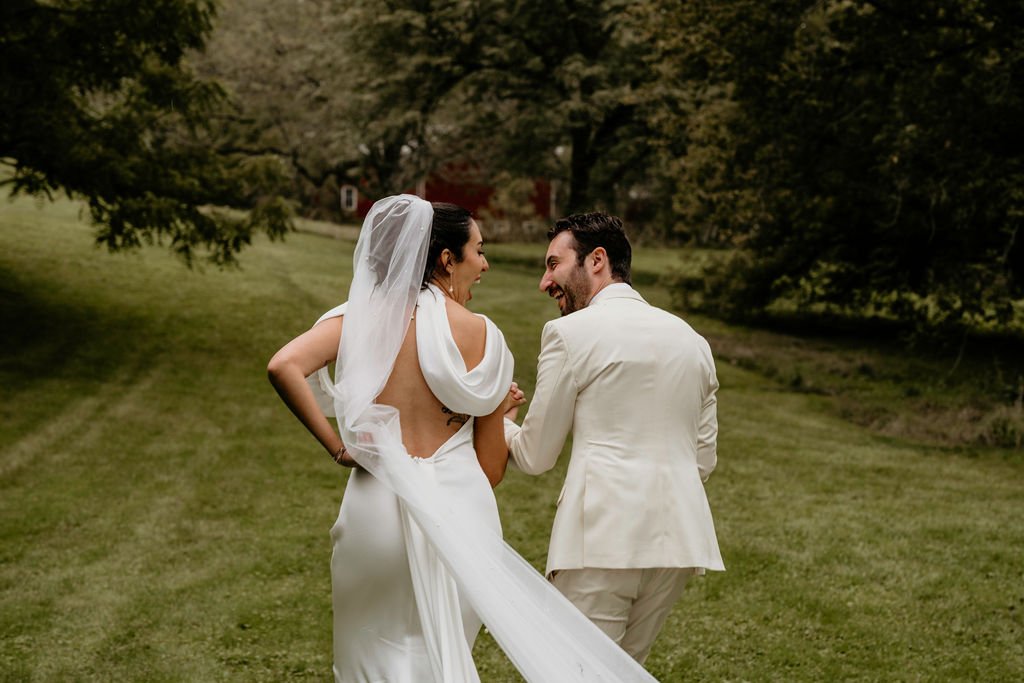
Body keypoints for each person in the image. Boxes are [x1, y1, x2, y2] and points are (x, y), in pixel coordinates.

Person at [267, 196, 657, 682]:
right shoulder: (486, 339)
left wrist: (338, 448)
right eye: (478, 250)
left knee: (370, 656)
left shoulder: (363, 319)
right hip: (463, 517)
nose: (486, 264)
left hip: (376, 511)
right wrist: (500, 410)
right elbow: (490, 469)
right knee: (442, 662)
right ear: (447, 260)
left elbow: (283, 365)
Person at [504, 211, 725, 665]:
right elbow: (702, 460)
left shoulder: (570, 334)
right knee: (625, 671)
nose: (545, 282)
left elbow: (535, 454)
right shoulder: (692, 341)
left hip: (599, 540)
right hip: (677, 542)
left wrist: (499, 421)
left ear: (597, 260)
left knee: (569, 670)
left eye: (553, 264)